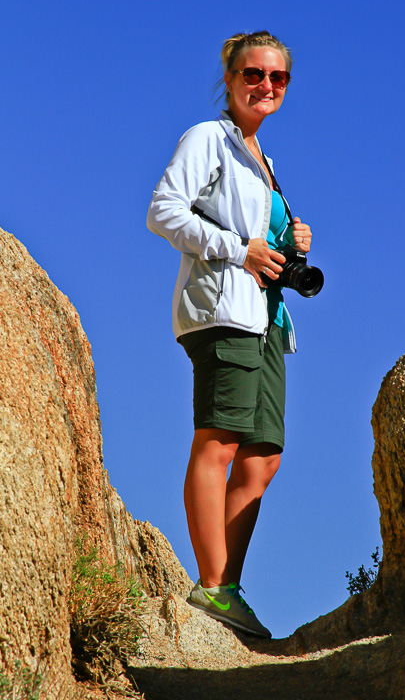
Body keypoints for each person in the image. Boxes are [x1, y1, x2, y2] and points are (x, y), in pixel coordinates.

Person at [146, 31, 312, 639]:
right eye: (253, 74)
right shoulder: (207, 138)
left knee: (264, 455)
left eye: (277, 77)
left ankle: (225, 588)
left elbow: (253, 234)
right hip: (222, 313)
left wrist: (291, 242)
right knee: (218, 441)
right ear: (231, 77)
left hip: (267, 321)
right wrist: (238, 249)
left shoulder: (264, 159)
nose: (264, 85)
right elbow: (164, 210)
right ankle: (213, 588)